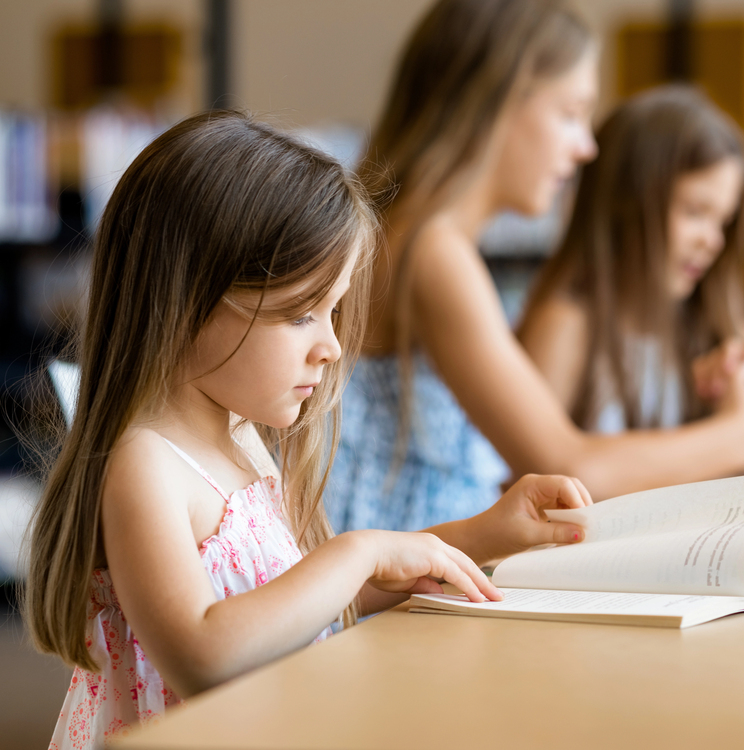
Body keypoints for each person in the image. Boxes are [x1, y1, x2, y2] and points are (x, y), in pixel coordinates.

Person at [25, 111, 591, 749]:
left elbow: (309, 603)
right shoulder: (147, 468)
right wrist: (357, 552)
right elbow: (202, 655)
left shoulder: (243, 440)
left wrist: (484, 532)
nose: (328, 347)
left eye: (334, 310)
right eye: (300, 314)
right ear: (186, 301)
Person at [327, 0, 744, 535]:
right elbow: (567, 466)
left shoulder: (426, 239)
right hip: (391, 602)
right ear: (498, 102)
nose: (586, 147)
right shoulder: (431, 251)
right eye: (570, 113)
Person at [518, 85, 744, 458]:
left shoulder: (698, 319)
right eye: (695, 212)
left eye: (723, 222)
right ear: (626, 203)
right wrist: (737, 432)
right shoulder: (568, 323)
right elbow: (532, 472)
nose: (713, 242)